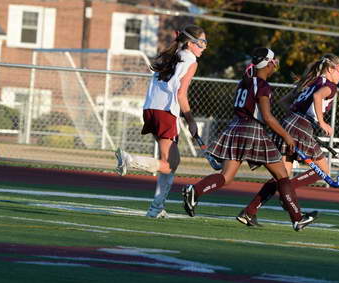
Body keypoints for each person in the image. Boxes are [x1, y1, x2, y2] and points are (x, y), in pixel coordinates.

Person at [182, 47, 318, 231]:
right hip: (252, 130)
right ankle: (297, 217)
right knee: (282, 175)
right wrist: (287, 137)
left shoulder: (244, 81)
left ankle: (195, 191)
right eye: (274, 61)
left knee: (226, 176)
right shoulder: (262, 85)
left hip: (235, 128)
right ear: (269, 63)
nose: (276, 64)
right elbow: (268, 117)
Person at [237, 54, 339, 227]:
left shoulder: (311, 81)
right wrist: (321, 121)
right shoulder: (330, 86)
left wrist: (299, 117)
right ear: (330, 69)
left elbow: (284, 102)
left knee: (281, 176)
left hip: (290, 122)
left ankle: (249, 212)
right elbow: (317, 97)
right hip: (300, 126)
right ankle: (287, 193)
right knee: (321, 170)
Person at [114, 24, 207, 219]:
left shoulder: (170, 55)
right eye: (202, 42)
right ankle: (130, 161)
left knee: (173, 161)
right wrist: (190, 119)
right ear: (190, 43)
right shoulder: (191, 60)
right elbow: (181, 94)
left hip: (150, 109)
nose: (204, 47)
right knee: (168, 164)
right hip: (165, 112)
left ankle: (157, 208)